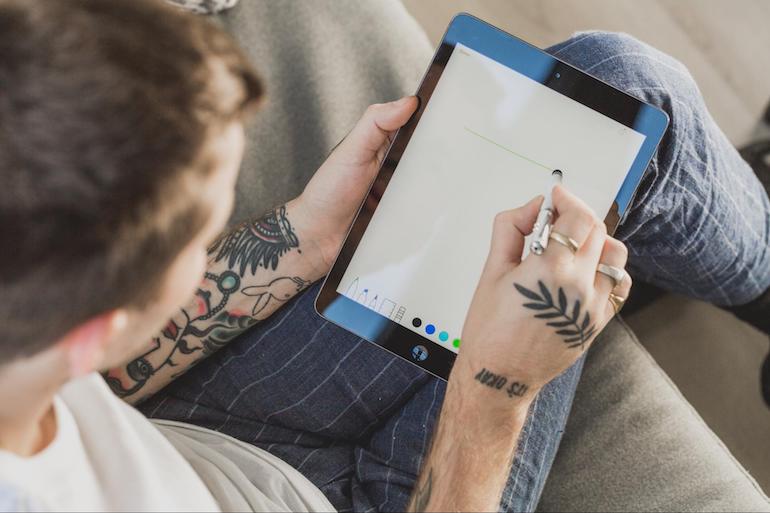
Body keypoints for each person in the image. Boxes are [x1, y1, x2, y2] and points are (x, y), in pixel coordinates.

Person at [0, 1, 768, 512]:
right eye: (199, 240)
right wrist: (496, 385)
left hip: (192, 430)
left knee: (611, 88)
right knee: (628, 129)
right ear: (95, 326)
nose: (212, 247)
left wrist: (305, 235)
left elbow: (96, 379)